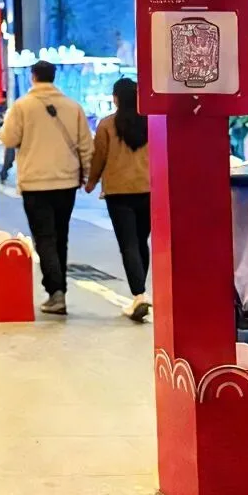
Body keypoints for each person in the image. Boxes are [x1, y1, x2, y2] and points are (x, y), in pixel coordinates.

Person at [0, 60, 93, 316]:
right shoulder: (73, 107)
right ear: (54, 77)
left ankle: (55, 291)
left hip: (35, 183)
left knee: (44, 237)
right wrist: (87, 176)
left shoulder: (22, 106)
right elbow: (86, 145)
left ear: (33, 77)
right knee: (61, 236)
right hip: (66, 182)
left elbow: (8, 138)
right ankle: (58, 289)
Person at [86, 77, 151, 322]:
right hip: (148, 189)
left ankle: (139, 294)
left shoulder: (106, 125)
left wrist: (91, 181)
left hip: (118, 192)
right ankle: (140, 292)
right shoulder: (151, 123)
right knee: (141, 241)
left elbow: (99, 157)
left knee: (128, 244)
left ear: (116, 99)